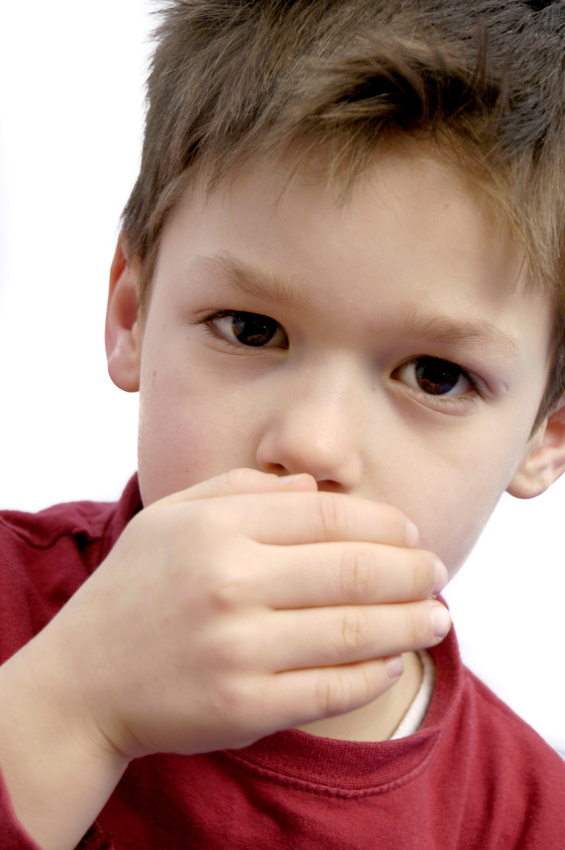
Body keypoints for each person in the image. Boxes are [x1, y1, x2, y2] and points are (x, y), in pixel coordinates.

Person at [1, 0, 565, 847]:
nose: (312, 443)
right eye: (250, 328)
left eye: (436, 375)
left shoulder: (527, 819)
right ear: (130, 312)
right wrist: (76, 707)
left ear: (545, 436)